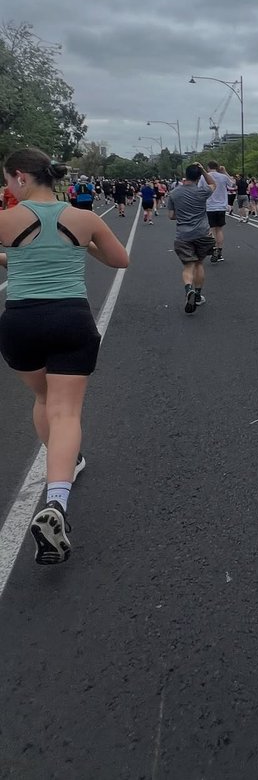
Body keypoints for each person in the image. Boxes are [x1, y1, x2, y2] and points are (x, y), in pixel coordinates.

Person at [0, 148, 128, 564]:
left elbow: (17, 256)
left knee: (43, 400)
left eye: (6, 180)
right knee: (66, 412)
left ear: (20, 177)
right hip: (70, 319)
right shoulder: (84, 219)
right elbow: (119, 259)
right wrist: (82, 246)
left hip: (21, 321)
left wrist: (16, 257)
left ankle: (66, 463)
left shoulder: (5, 220)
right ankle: (56, 502)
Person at [168, 162, 217, 312]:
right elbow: (213, 184)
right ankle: (197, 294)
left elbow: (171, 216)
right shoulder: (202, 191)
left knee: (188, 266)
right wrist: (203, 170)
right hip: (202, 233)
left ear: (186, 176)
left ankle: (188, 288)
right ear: (198, 177)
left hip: (183, 235)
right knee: (199, 264)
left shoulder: (174, 193)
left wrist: (182, 215)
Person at [205, 160, 230, 262]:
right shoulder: (223, 177)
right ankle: (219, 251)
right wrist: (225, 172)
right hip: (221, 206)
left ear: (208, 167)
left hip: (210, 205)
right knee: (219, 230)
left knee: (211, 229)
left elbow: (200, 189)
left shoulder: (205, 176)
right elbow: (232, 184)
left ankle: (213, 248)